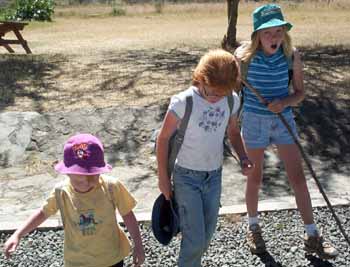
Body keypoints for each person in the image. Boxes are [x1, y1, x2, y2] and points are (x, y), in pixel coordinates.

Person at [234, 3, 338, 259]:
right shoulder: (243, 58)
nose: (274, 37)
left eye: (279, 31)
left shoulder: (292, 56)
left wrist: (284, 102)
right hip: (254, 122)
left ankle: (312, 235)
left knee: (298, 178)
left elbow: (300, 93)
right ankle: (254, 228)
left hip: (284, 121)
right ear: (257, 34)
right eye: (268, 32)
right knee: (255, 179)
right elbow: (233, 91)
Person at [156, 49, 253, 267]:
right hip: (186, 177)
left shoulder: (231, 100)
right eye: (212, 93)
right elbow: (162, 140)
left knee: (206, 236)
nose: (217, 98)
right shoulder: (183, 102)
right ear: (200, 79)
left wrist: (244, 156)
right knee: (194, 240)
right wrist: (163, 178)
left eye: (223, 93)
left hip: (214, 176)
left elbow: (233, 132)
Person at [4, 133, 145, 267]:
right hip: (77, 261)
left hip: (110, 258)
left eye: (94, 177)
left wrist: (138, 244)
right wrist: (18, 234)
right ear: (67, 173)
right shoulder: (61, 192)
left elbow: (127, 214)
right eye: (79, 181)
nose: (88, 184)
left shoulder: (111, 187)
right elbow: (43, 213)